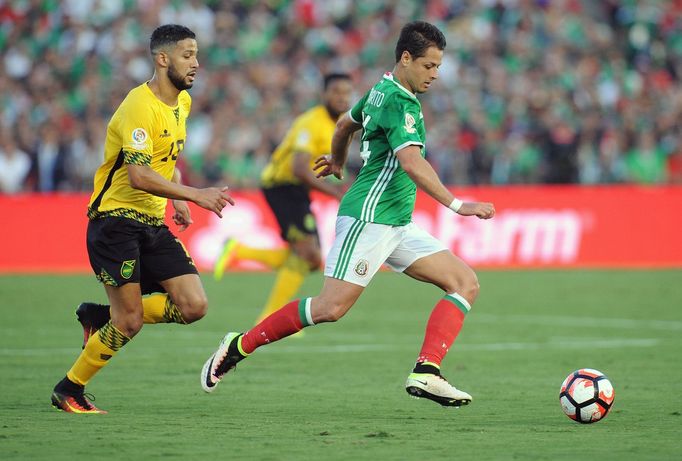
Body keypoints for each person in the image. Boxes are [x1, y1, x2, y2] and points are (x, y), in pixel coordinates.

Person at [200, 21, 495, 407]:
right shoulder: (398, 101)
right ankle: (238, 345)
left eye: (438, 67)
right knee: (329, 308)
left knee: (464, 282)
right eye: (428, 66)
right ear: (405, 58)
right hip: (368, 219)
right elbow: (411, 163)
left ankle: (426, 371)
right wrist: (459, 206)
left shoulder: (381, 89)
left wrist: (339, 160)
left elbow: (344, 124)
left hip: (396, 223)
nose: (435, 74)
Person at [50, 24, 234, 414]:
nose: (196, 63)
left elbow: (164, 160)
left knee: (193, 306)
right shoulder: (138, 106)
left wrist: (179, 191)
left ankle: (99, 316)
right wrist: (195, 195)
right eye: (187, 55)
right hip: (115, 222)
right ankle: (69, 388)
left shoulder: (181, 103)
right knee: (130, 321)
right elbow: (138, 175)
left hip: (151, 222)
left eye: (197, 55)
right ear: (162, 58)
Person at [213, 73, 352, 326]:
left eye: (346, 92)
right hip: (282, 185)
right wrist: (335, 193)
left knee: (308, 259)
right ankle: (269, 316)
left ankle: (238, 251)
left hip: (297, 189)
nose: (342, 97)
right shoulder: (311, 122)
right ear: (324, 94)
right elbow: (299, 168)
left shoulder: (340, 124)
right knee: (309, 255)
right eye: (336, 92)